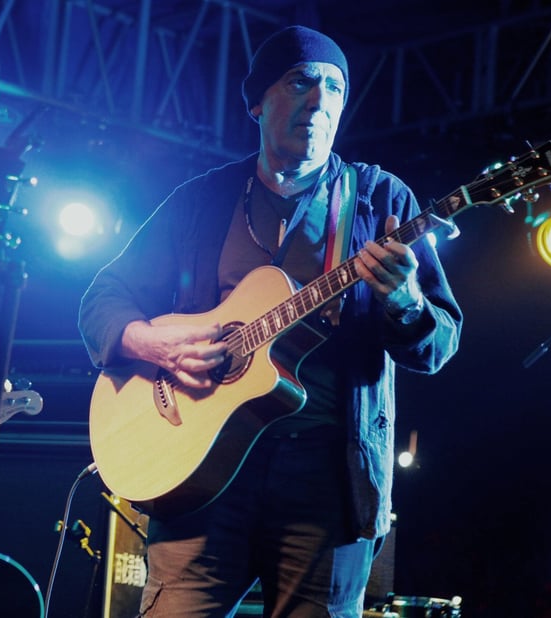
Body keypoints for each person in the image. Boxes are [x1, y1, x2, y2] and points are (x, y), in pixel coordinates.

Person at [78, 25, 462, 617]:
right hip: (198, 469)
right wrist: (156, 345)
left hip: (326, 480)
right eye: (301, 81)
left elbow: (440, 342)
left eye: (335, 88)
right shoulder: (202, 199)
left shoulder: (380, 201)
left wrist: (406, 300)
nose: (320, 100)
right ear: (257, 101)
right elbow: (104, 298)